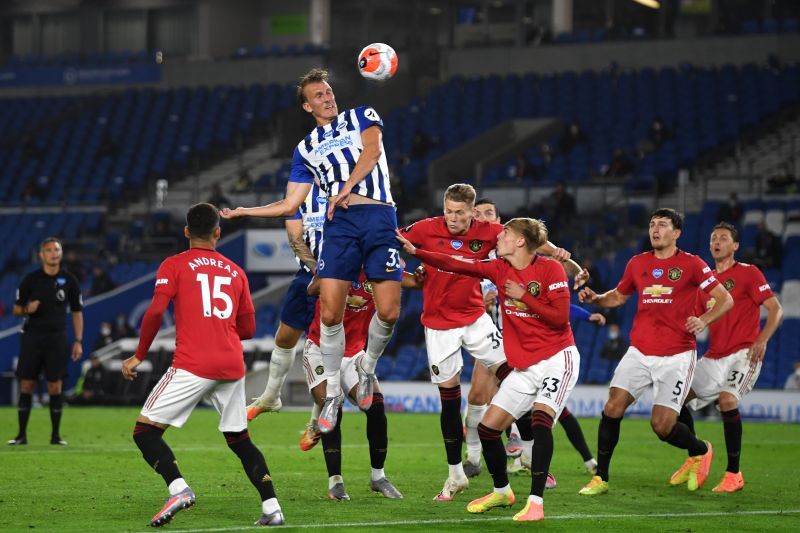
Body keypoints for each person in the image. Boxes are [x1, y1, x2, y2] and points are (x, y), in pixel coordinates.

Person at [221, 68, 402, 435]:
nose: (327, 97)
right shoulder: (304, 149)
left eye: (329, 91)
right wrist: (244, 211)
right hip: (340, 226)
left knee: (389, 311)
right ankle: (333, 394)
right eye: (318, 95)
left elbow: (373, 151)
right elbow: (291, 205)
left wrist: (347, 187)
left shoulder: (361, 115)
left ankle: (366, 369)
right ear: (307, 106)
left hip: (379, 215)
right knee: (330, 314)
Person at [399, 185, 585, 500]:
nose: (453, 218)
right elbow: (394, 241)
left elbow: (534, 241)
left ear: (473, 211)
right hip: (439, 324)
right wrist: (408, 271)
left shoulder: (492, 232)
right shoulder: (425, 228)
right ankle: (455, 474)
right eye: (449, 211)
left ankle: (527, 452)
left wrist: (568, 262)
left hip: (475, 318)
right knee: (449, 400)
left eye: (460, 212)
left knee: (514, 378)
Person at [121, 203, 284, 527]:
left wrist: (140, 354)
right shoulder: (236, 271)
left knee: (144, 433)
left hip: (193, 363)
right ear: (217, 233)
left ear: (186, 232)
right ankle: (272, 508)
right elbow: (249, 330)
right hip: (231, 365)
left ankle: (179, 488)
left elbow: (155, 312)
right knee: (240, 439)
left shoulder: (175, 265)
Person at [577, 208, 734, 496]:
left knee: (662, 427)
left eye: (663, 225)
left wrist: (704, 320)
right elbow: (620, 296)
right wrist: (597, 298)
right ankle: (601, 478)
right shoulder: (638, 263)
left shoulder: (693, 264)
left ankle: (701, 450)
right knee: (612, 407)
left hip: (676, 355)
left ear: (677, 233)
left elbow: (725, 299)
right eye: (652, 224)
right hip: (639, 351)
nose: (655, 229)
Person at [671, 222, 783, 492]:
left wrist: (761, 340)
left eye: (723, 238)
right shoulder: (705, 282)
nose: (717, 241)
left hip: (743, 354)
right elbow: (694, 317)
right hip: (714, 356)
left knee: (727, 399)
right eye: (713, 238)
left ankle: (734, 473)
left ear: (735, 246)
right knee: (674, 399)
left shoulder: (748, 273)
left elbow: (775, 309)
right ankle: (697, 455)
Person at [302, 270, 415, 500]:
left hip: (354, 354)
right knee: (331, 405)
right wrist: (329, 273)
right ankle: (335, 482)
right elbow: (311, 289)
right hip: (319, 350)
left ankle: (378, 477)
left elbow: (412, 280)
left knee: (376, 407)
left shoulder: (379, 268)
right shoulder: (339, 261)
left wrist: (422, 270)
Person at [247, 182, 325, 420]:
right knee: (284, 338)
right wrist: (317, 272)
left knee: (326, 346)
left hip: (342, 277)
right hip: (307, 275)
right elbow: (295, 239)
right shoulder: (299, 192)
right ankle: (271, 396)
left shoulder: (348, 188)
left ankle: (317, 417)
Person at [8, 237, 84, 446]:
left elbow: (77, 311)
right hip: (32, 337)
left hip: (57, 339)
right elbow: (15, 308)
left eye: (56, 249)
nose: (53, 253)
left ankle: (55, 436)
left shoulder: (70, 281)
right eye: (49, 250)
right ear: (42, 255)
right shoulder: (30, 280)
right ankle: (21, 435)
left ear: (61, 253)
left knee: (55, 386)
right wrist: (26, 309)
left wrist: (78, 340)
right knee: (27, 384)